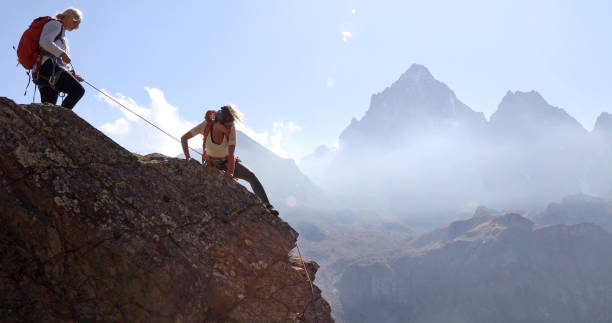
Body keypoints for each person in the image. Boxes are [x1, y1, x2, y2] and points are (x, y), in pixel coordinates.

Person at [181, 105, 279, 216]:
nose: (229, 128)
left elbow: (231, 153)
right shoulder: (205, 126)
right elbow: (184, 138)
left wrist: (230, 173)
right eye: (227, 126)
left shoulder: (231, 128)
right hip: (211, 164)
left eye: (231, 125)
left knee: (251, 176)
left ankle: (268, 206)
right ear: (217, 123)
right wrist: (187, 156)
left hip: (227, 161)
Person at [33, 8, 85, 110]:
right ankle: (62, 118)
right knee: (78, 91)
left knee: (49, 107)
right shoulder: (56, 24)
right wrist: (62, 54)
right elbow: (44, 42)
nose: (76, 27)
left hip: (42, 71)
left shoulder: (61, 32)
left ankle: (51, 122)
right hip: (47, 67)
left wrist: (72, 75)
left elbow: (59, 60)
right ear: (69, 17)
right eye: (76, 23)